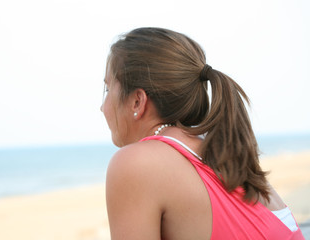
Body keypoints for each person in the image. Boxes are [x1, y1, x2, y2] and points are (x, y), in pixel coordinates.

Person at [100, 27, 304, 240]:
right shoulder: (222, 157)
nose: (102, 107)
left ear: (137, 101)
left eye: (107, 90)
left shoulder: (136, 163)